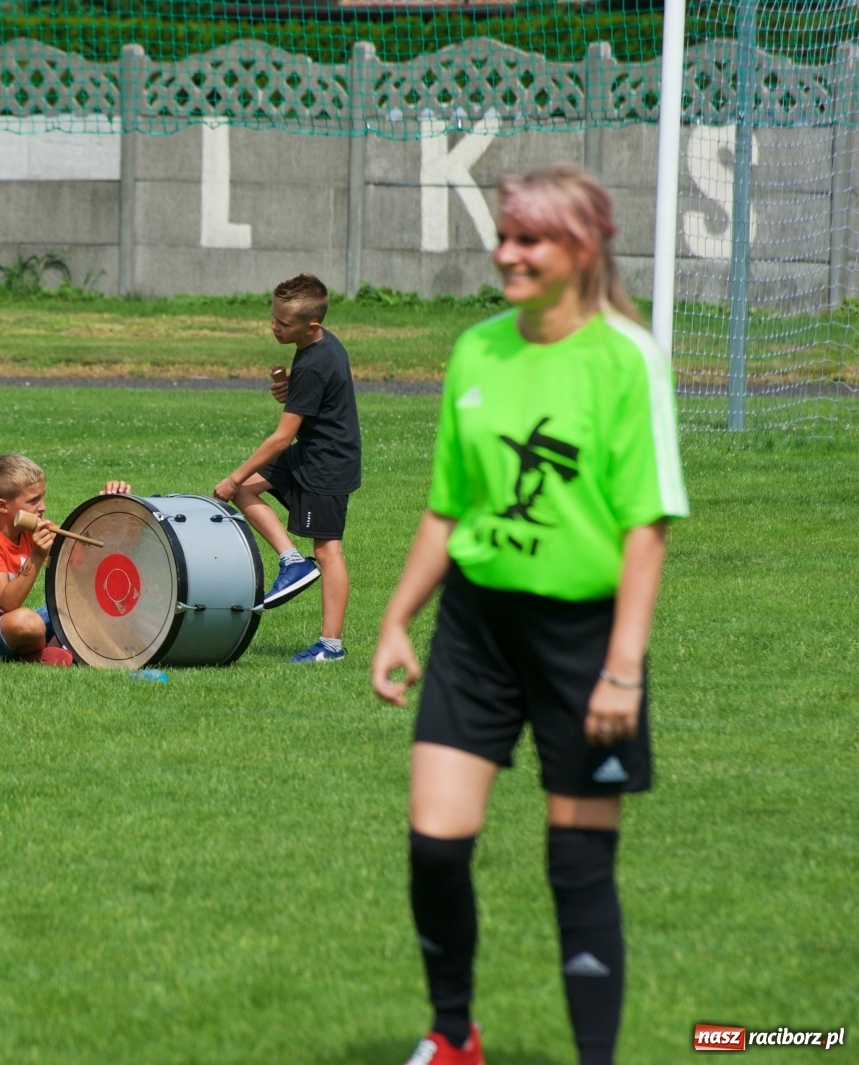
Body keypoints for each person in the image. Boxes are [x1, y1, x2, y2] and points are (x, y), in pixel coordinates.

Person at [369, 163, 689, 1065]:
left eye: (528, 239)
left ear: (580, 250)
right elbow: (448, 507)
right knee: (435, 846)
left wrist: (623, 665)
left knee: (577, 867)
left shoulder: (627, 357)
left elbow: (645, 525)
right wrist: (397, 619)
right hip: (476, 629)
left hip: (585, 640)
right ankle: (453, 1032)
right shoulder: (477, 349)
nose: (506, 252)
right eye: (504, 235)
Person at [213, 272, 361, 663]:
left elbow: (280, 438)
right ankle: (292, 563)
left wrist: (232, 477)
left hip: (326, 465)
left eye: (283, 323)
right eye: (273, 318)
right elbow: (316, 393)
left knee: (328, 552)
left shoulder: (316, 361)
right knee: (249, 490)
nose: (274, 327)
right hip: (310, 452)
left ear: (312, 324)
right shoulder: (316, 347)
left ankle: (331, 647)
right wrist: (292, 388)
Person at [0, 453, 130, 666]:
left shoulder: (33, 526)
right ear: (3, 506)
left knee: (83, 602)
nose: (42, 506)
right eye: (33, 500)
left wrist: (108, 504)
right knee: (27, 622)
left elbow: (88, 557)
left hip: (9, 625)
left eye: (42, 496)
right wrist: (37, 555)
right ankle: (46, 651)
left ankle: (47, 650)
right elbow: (8, 602)